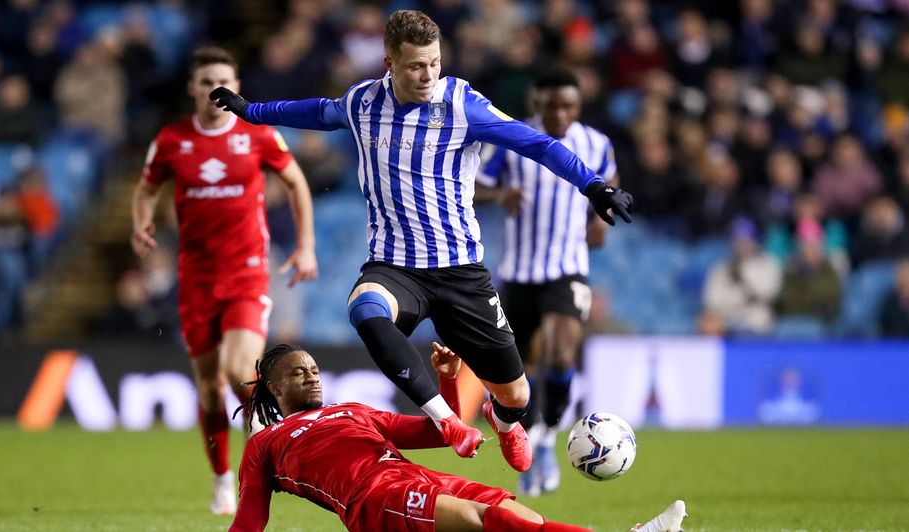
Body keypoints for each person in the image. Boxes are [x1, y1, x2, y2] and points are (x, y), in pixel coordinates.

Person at [210, 9, 634, 473]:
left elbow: (535, 143)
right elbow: (315, 111)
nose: (428, 74)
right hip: (396, 266)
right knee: (365, 309)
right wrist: (251, 110)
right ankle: (446, 420)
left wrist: (595, 186)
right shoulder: (363, 103)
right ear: (389, 62)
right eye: (416, 66)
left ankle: (503, 417)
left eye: (434, 62)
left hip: (461, 272)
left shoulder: (461, 104)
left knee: (517, 395)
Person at [131, 46, 318, 515]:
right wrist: (141, 222)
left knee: (240, 370)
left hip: (247, 272)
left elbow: (296, 182)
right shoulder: (172, 140)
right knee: (210, 388)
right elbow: (146, 188)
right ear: (193, 89)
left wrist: (306, 245)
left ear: (236, 89)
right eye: (207, 81)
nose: (216, 89)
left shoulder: (257, 134)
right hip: (196, 279)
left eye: (226, 81)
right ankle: (220, 478)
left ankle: (263, 445)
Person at [230, 342, 687, 532]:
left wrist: (448, 383)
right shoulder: (264, 444)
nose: (311, 377)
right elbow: (249, 521)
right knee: (483, 518)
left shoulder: (354, 411)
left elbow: (439, 432)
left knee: (517, 517)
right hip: (372, 499)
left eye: (313, 369)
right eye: (297, 373)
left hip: (419, 477)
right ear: (274, 386)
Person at [473, 68, 614, 496]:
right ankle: (532, 442)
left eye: (568, 105)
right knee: (522, 369)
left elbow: (609, 184)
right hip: (518, 272)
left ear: (578, 105)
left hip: (568, 268)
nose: (559, 113)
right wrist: (501, 196)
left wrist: (601, 220)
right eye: (551, 104)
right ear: (537, 102)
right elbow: (473, 187)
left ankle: (550, 439)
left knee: (559, 346)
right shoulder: (513, 140)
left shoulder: (596, 144)